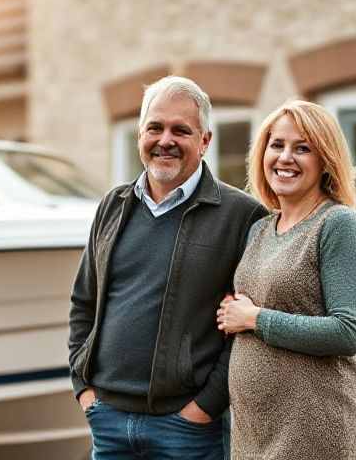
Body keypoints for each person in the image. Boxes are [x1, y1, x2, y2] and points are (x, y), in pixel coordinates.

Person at [68, 75, 267, 460]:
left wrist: (205, 407)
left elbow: (247, 327)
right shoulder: (114, 204)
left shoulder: (241, 215)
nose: (165, 140)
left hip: (186, 429)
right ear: (140, 134)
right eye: (154, 127)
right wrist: (85, 390)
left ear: (205, 140)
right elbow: (83, 302)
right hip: (108, 421)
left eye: (181, 130)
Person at [216, 100, 356, 459]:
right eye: (277, 145)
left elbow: (348, 332)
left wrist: (255, 319)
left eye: (302, 148)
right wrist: (234, 312)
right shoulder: (259, 229)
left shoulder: (337, 224)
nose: (285, 157)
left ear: (325, 161)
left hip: (311, 433)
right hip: (254, 434)